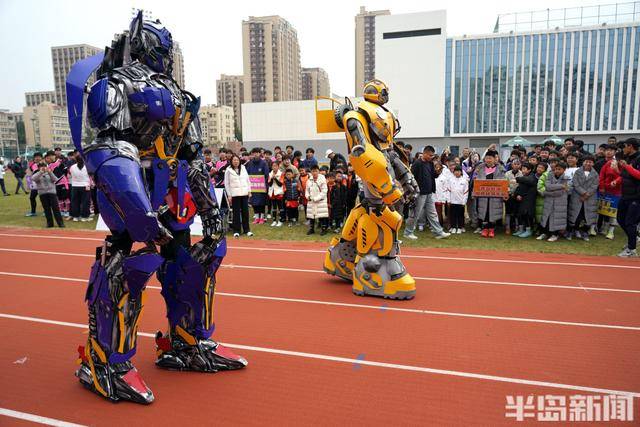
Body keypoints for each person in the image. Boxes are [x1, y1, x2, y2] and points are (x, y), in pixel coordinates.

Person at [404, 146, 450, 240]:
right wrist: (413, 192)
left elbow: (433, 176)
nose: (431, 157)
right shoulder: (417, 164)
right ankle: (408, 232)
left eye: (432, 155)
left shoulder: (430, 163)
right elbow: (411, 177)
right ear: (424, 153)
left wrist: (438, 172)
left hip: (429, 192)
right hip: (419, 193)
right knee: (415, 213)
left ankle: (439, 232)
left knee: (433, 213)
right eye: (430, 155)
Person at [615, 138, 640, 257]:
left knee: (630, 222)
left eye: (625, 146)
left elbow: (638, 175)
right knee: (620, 219)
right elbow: (625, 175)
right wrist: (617, 180)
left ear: (630, 146)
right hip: (625, 194)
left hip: (636, 196)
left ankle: (632, 249)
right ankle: (634, 238)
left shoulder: (639, 158)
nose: (623, 149)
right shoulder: (628, 158)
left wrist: (627, 166)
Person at [474, 150, 506, 238]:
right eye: (487, 158)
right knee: (484, 212)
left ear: (495, 159)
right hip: (483, 195)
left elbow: (503, 182)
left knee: (492, 212)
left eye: (490, 158)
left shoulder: (500, 169)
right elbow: (476, 182)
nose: (488, 160)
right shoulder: (480, 169)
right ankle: (485, 229)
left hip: (495, 195)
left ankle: (491, 229)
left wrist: (504, 194)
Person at [568, 155, 599, 241]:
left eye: (590, 162)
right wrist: (583, 193)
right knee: (575, 215)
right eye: (586, 161)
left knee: (587, 216)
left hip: (590, 198)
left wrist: (586, 195)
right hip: (577, 196)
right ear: (583, 162)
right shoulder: (577, 172)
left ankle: (585, 232)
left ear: (593, 163)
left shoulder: (595, 174)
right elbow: (575, 183)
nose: (588, 163)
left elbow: (595, 185)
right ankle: (571, 230)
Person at [538, 161, 569, 242]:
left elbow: (560, 193)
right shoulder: (549, 175)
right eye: (555, 169)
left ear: (564, 170)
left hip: (560, 202)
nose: (557, 171)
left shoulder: (566, 178)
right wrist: (561, 186)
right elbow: (548, 186)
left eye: (559, 169)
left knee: (556, 219)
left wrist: (547, 192)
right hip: (549, 201)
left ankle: (555, 234)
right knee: (546, 218)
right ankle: (544, 233)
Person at [224, 154, 253, 237]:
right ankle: (236, 230)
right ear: (231, 161)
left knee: (245, 212)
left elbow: (247, 180)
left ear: (239, 161)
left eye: (237, 160)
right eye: (234, 160)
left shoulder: (243, 168)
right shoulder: (228, 170)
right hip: (234, 194)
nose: (236, 162)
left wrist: (249, 191)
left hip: (244, 193)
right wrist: (229, 195)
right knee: (236, 213)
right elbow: (227, 183)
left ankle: (247, 230)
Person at [597, 144, 621, 239]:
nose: (609, 152)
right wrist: (602, 187)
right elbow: (601, 176)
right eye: (607, 150)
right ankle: (604, 228)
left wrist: (616, 181)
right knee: (604, 210)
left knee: (613, 212)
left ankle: (611, 232)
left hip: (616, 191)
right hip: (605, 190)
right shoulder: (605, 163)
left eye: (611, 150)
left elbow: (623, 175)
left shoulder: (619, 162)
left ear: (615, 152)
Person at [31, 161, 64, 228]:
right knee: (46, 209)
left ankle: (60, 223)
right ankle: (49, 223)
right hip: (42, 193)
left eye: (44, 166)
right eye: (41, 166)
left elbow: (55, 179)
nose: (43, 168)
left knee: (55, 208)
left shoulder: (50, 172)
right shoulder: (37, 174)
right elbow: (33, 178)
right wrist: (40, 172)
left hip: (52, 193)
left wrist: (50, 172)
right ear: (39, 168)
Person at [513, 163, 538, 238]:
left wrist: (518, 179)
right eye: (522, 169)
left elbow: (529, 182)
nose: (522, 170)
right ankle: (521, 229)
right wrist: (517, 195)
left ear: (529, 170)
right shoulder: (524, 177)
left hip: (528, 200)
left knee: (527, 215)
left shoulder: (532, 177)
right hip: (521, 199)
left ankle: (528, 230)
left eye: (524, 169)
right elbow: (519, 188)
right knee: (520, 214)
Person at [245, 147, 269, 224]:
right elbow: (247, 174)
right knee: (254, 202)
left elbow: (266, 175)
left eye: (257, 153)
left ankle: (262, 217)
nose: (256, 154)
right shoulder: (250, 163)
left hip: (261, 186)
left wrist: (263, 183)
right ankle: (256, 217)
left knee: (261, 202)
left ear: (260, 153)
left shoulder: (264, 163)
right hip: (253, 186)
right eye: (254, 153)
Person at [305, 165, 329, 235]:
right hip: (311, 200)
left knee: (322, 215)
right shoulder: (309, 180)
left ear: (318, 171)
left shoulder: (322, 179)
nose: (314, 173)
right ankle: (311, 229)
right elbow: (307, 190)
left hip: (320, 201)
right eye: (313, 171)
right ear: (311, 172)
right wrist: (308, 196)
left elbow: (324, 191)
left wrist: (316, 198)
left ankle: (324, 229)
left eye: (316, 171)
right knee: (311, 215)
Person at [69, 155, 92, 221]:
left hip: (75, 186)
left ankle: (76, 216)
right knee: (85, 202)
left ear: (76, 160)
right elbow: (90, 175)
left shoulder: (72, 167)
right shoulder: (87, 166)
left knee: (75, 202)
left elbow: (71, 174)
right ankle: (84, 217)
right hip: (85, 185)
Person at [448, 165, 468, 234]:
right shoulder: (451, 180)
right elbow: (448, 191)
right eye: (455, 171)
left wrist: (464, 201)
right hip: (452, 201)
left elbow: (466, 192)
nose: (457, 172)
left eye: (458, 171)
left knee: (460, 215)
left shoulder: (464, 181)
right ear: (453, 172)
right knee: (453, 215)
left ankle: (459, 227)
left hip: (460, 202)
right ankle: (453, 227)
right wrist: (449, 200)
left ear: (461, 172)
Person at [504, 158, 523, 234]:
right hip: (508, 195)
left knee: (516, 212)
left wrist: (517, 194)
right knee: (508, 212)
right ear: (512, 165)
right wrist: (508, 192)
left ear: (520, 165)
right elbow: (505, 184)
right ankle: (507, 227)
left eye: (518, 164)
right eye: (515, 164)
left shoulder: (522, 174)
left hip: (517, 196)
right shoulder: (507, 173)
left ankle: (517, 227)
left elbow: (521, 185)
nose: (516, 166)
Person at [267, 160, 284, 227]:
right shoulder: (270, 174)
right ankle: (274, 221)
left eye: (276, 166)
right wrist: (272, 178)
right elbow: (269, 184)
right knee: (274, 207)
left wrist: (275, 179)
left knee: (280, 207)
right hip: (272, 192)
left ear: (278, 166)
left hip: (279, 192)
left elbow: (280, 184)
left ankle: (280, 220)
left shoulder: (281, 174)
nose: (274, 167)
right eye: (273, 166)